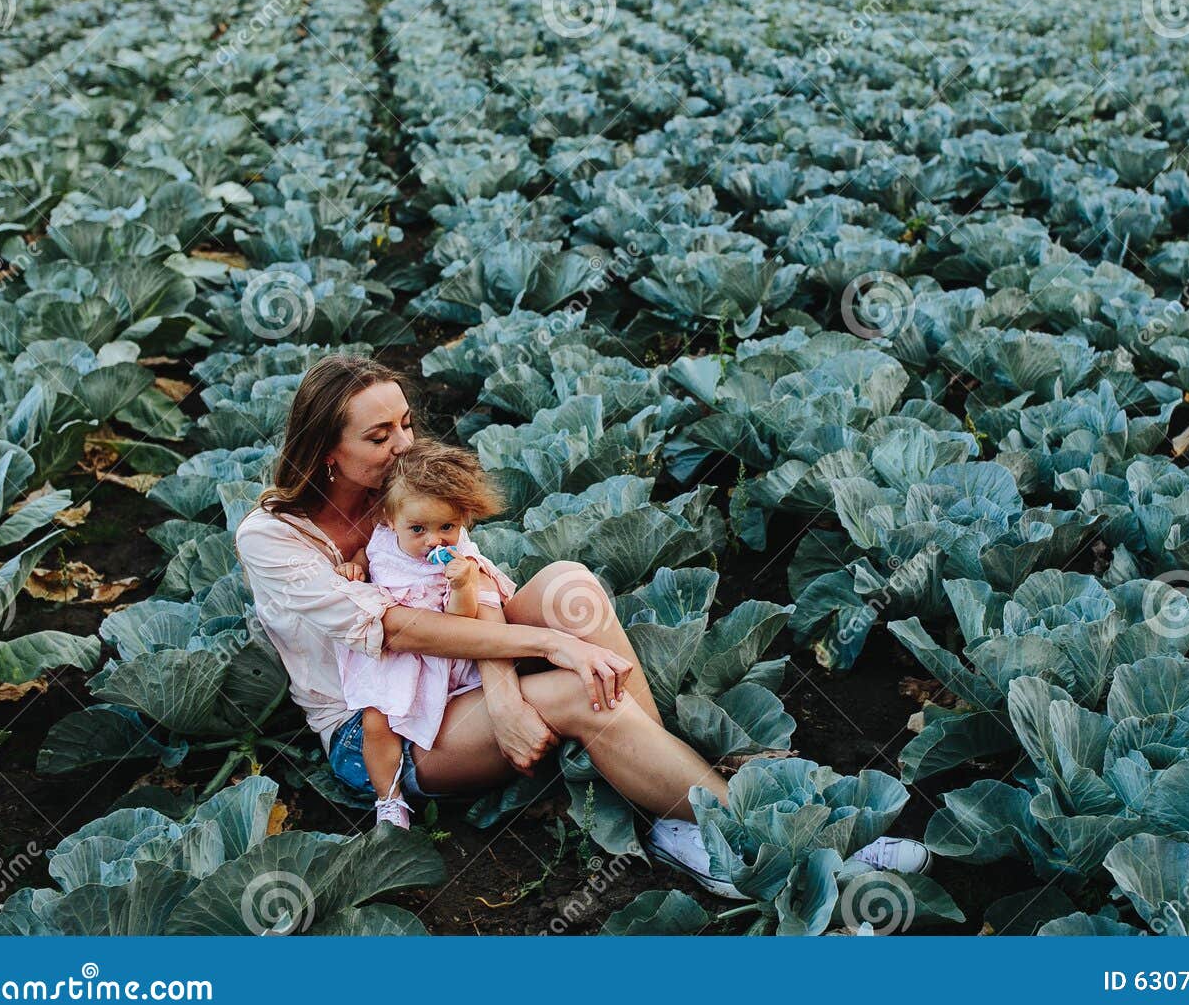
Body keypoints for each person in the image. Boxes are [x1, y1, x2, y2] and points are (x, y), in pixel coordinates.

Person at [233, 353, 929, 897]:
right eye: (379, 435)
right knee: (571, 684)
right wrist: (546, 646)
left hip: (460, 673)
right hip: (383, 721)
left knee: (570, 584)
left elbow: (482, 597)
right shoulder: (272, 537)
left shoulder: (409, 490)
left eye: (407, 424)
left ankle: (666, 811)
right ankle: (795, 846)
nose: (404, 443)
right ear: (328, 448)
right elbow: (402, 630)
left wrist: (504, 691)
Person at [330, 438, 519, 829]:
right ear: (388, 519)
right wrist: (355, 566)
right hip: (398, 654)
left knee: (455, 709)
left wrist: (464, 584)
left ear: (462, 519)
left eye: (446, 527)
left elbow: (460, 620)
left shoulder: (458, 559)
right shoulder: (382, 540)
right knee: (376, 721)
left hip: (446, 650)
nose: (434, 540)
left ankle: (474, 782)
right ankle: (389, 800)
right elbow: (371, 556)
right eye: (418, 529)